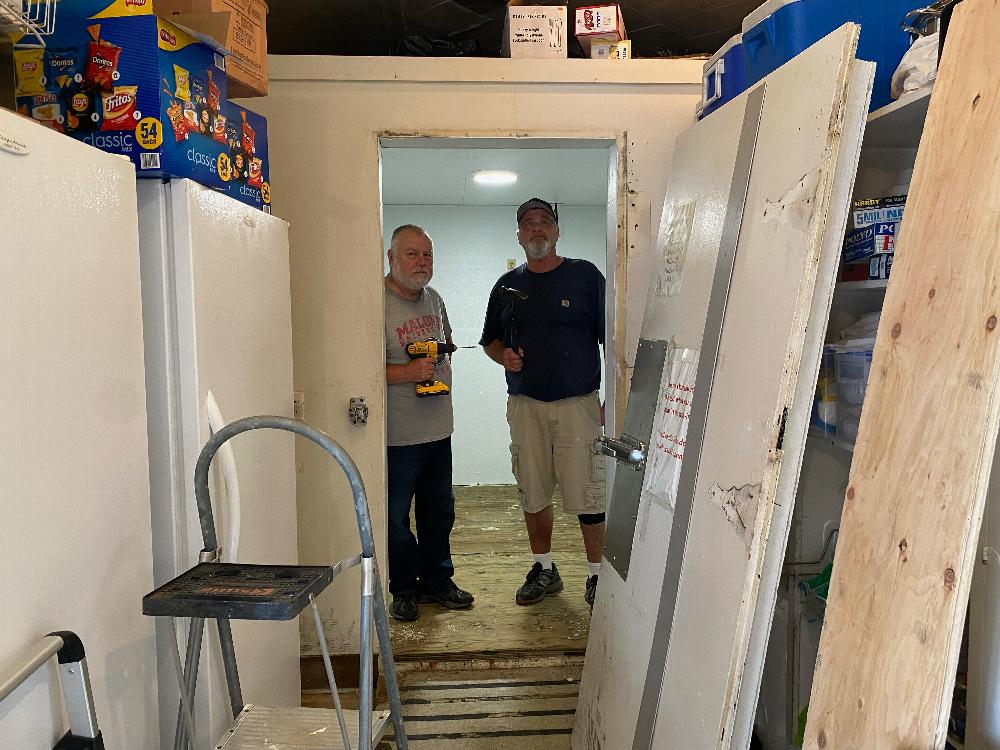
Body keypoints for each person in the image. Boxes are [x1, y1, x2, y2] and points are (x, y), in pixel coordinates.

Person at [479, 198, 606, 610]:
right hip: (525, 405)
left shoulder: (585, 276)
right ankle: (544, 568)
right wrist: (504, 357)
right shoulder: (506, 285)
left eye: (544, 222)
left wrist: (611, 403)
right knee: (532, 491)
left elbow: (613, 338)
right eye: (528, 224)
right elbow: (490, 342)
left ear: (556, 230)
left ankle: (597, 576)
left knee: (589, 493)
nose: (537, 230)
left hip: (579, 406)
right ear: (519, 235)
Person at [384, 224, 474, 621]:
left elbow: (446, 344)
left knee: (440, 511)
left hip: (438, 429)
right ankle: (404, 588)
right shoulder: (375, 302)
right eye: (412, 254)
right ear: (391, 258)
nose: (421, 262)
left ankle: (438, 581)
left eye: (427, 255)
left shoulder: (434, 299)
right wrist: (407, 373)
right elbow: (356, 368)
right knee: (395, 518)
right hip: (397, 435)